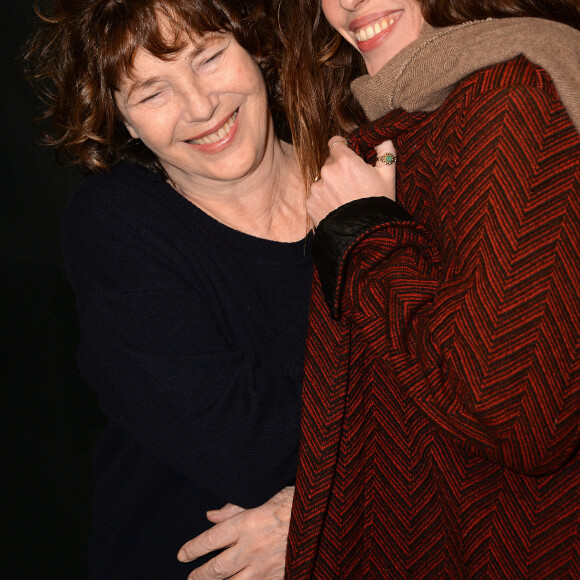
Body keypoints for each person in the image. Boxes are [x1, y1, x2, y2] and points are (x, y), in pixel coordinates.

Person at [278, 0, 580, 577]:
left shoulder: (514, 96)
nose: (347, 3)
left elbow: (515, 417)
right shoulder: (425, 104)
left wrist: (362, 233)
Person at [24, 0, 313, 578]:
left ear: (254, 46)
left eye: (207, 57)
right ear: (120, 119)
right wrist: (332, 514)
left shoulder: (368, 169)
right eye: (151, 93)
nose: (201, 108)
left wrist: (329, 513)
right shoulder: (114, 224)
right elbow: (244, 448)